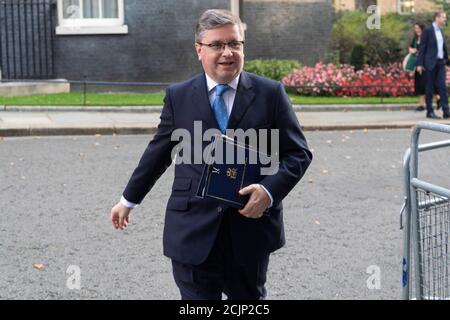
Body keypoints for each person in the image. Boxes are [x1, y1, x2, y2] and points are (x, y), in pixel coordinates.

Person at [110, 9, 312, 300]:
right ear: (199, 50)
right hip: (192, 228)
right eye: (217, 45)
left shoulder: (271, 94)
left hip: (249, 229)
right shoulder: (178, 96)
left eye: (235, 44)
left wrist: (268, 191)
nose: (227, 52)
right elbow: (158, 152)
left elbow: (298, 154)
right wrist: (128, 200)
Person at [416, 11, 450, 119]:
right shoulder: (428, 30)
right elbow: (422, 47)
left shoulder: (441, 31)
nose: (445, 19)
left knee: (442, 87)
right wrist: (420, 64)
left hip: (440, 63)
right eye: (443, 17)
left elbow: (443, 49)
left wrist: (447, 62)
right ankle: (430, 112)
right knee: (429, 88)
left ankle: (446, 111)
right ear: (437, 18)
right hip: (429, 64)